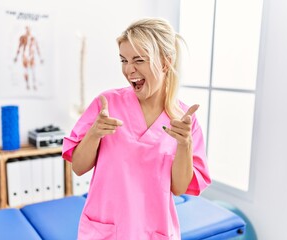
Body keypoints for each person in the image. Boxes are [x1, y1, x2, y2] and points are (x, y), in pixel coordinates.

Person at [62, 17, 211, 240]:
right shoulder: (107, 104)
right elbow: (79, 167)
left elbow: (179, 188)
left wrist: (184, 144)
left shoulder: (184, 122)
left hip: (153, 231)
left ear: (165, 62)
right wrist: (94, 133)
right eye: (123, 60)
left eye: (138, 60)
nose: (129, 70)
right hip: (106, 231)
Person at [14, 26, 43, 90]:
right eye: (27, 30)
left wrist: (40, 58)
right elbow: (19, 47)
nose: (28, 31)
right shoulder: (22, 38)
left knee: (33, 71)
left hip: (31, 56)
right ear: (25, 30)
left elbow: (37, 48)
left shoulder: (33, 38)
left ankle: (34, 84)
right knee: (26, 71)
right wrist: (16, 56)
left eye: (29, 30)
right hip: (25, 56)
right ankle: (27, 85)